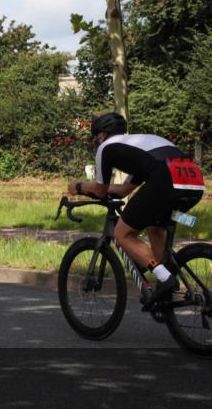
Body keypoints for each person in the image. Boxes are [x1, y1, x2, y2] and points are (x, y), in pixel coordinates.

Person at [67, 112, 205, 308]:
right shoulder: (138, 147)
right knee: (153, 226)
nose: (97, 140)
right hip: (192, 179)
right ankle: (165, 285)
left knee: (122, 234)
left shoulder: (105, 148)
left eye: (97, 136)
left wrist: (79, 187)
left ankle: (166, 279)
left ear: (101, 135)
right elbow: (123, 190)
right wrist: (96, 190)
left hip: (164, 178)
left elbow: (100, 190)